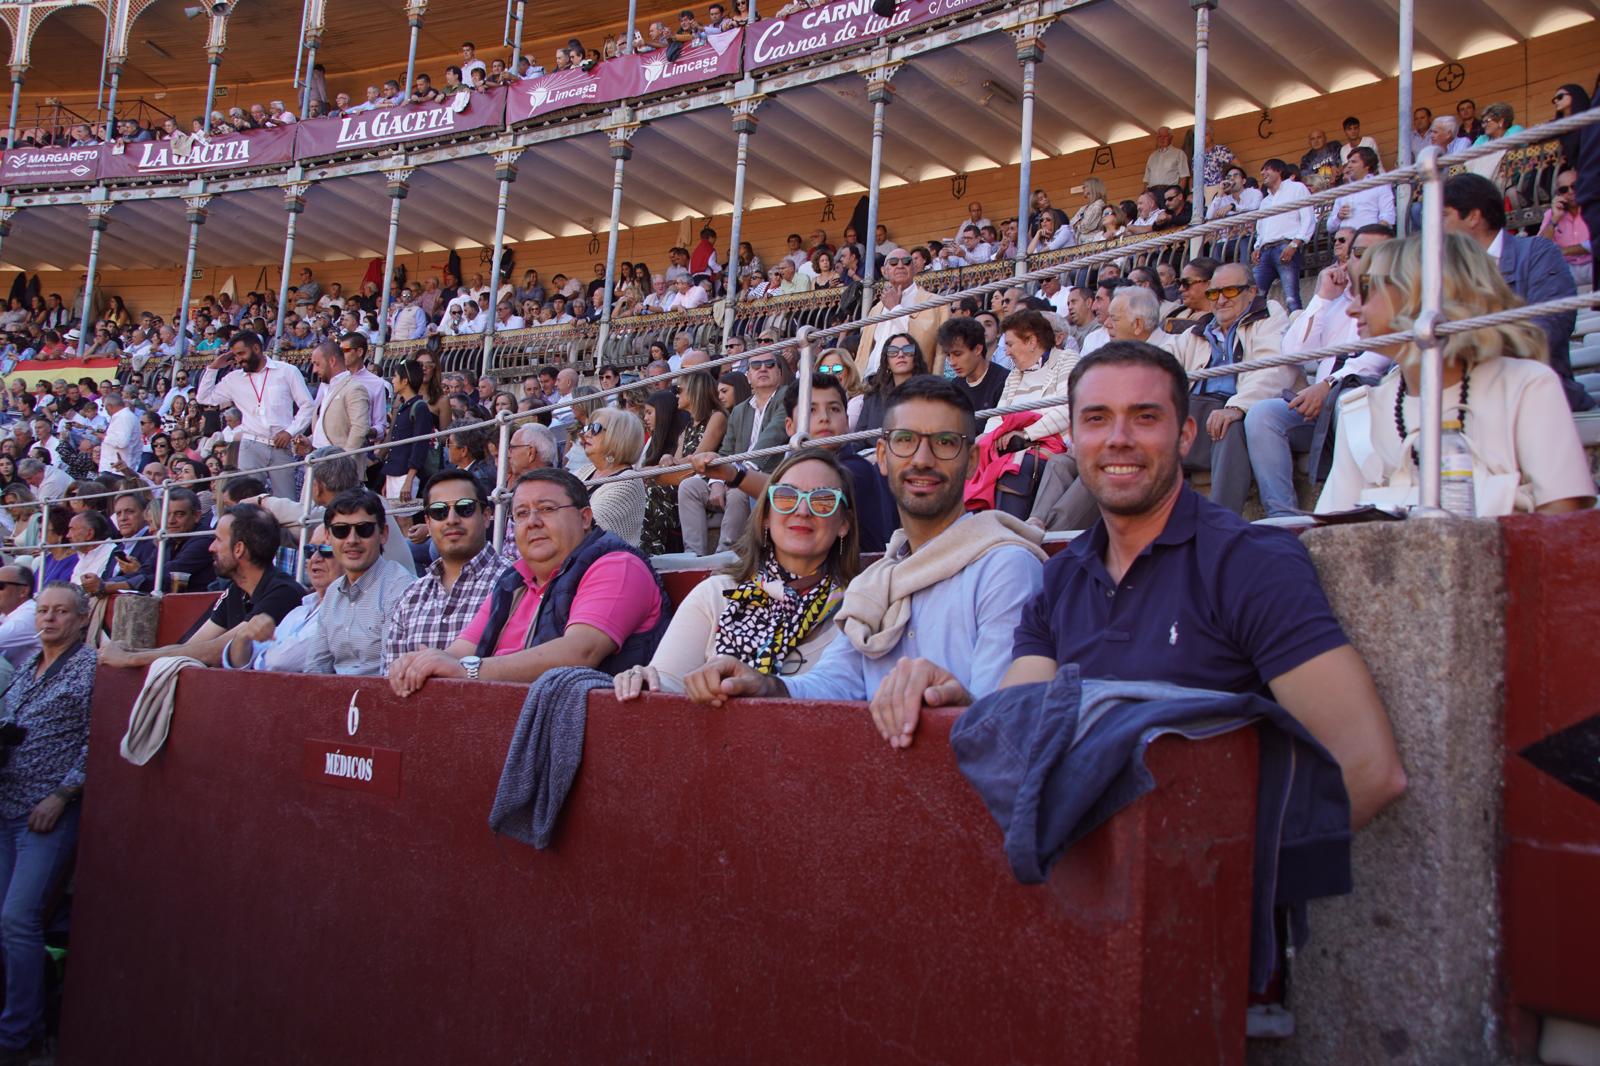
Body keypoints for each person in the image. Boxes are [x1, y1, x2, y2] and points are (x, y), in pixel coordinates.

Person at [995, 341, 1407, 829]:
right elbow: (1013, 741)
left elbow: (1368, 768)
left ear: (1186, 436)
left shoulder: (1249, 562)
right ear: (1074, 436)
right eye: (1097, 418)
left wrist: (1214, 878)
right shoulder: (1059, 578)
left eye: (1145, 417)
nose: (1118, 438)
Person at [684, 376, 1046, 738]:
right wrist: (766, 685)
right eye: (905, 440)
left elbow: (1008, 725)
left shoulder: (1005, 567)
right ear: (884, 457)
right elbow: (833, 684)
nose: (922, 459)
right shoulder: (878, 580)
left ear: (971, 462)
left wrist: (959, 704)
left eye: (945, 443)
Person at [1317, 233, 1594, 516]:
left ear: (1425, 292)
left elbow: (1563, 516)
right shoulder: (1361, 411)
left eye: (1367, 289)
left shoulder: (1527, 386)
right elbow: (1332, 529)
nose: (1352, 309)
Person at [386, 469, 672, 694]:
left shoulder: (617, 565)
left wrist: (470, 671)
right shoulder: (514, 580)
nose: (532, 521)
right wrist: (421, 663)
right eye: (521, 513)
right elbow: (460, 651)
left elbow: (580, 652)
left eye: (546, 509)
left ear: (585, 518)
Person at [616, 448, 862, 699]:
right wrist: (644, 682)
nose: (802, 510)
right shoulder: (715, 594)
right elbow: (667, 683)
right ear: (766, 516)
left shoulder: (862, 608)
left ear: (844, 524)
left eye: (823, 500)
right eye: (786, 496)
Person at [0, 583, 96, 1062]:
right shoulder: (25, 667)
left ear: (82, 619)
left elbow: (95, 739)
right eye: (42, 611)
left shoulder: (90, 667)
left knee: (18, 919)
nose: (49, 619)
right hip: (6, 804)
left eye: (61, 612)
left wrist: (63, 793)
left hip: (46, 811)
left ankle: (18, 1036)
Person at [1444, 172, 1591, 413]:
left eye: (1443, 216)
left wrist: (1463, 350)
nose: (1436, 227)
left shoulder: (1538, 252)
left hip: (1535, 399)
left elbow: (1546, 332)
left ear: (1472, 216)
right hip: (1470, 402)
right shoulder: (1446, 269)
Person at [98, 504, 306, 669]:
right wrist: (133, 653)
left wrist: (130, 660)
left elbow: (217, 650)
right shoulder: (237, 590)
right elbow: (193, 646)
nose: (210, 547)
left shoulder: (283, 593)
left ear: (239, 549)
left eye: (217, 540)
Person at [232, 490, 413, 676]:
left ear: (383, 534)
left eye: (363, 529)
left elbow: (391, 676)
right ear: (329, 536)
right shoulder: (334, 592)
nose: (352, 540)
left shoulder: (400, 589)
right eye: (341, 530)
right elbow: (316, 667)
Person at [1165, 262, 1295, 515]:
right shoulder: (1197, 331)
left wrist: (1237, 406)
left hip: (1236, 408)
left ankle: (1222, 522)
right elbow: (1161, 364)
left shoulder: (1268, 317)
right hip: (1195, 411)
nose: (1221, 300)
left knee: (1228, 424)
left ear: (1252, 291)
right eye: (1214, 293)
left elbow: (1274, 368)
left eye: (1231, 291)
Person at [383, 470, 506, 671]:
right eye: (439, 511)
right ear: (428, 524)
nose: (451, 519)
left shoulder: (516, 584)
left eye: (464, 508)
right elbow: (391, 678)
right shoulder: (410, 597)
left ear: (486, 517)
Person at [195, 331, 314, 500]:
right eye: (235, 355)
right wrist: (213, 368)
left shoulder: (287, 371)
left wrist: (290, 432)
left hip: (281, 445)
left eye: (241, 353)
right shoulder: (233, 379)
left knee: (285, 500)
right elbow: (204, 398)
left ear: (257, 348)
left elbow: (307, 405)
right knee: (248, 499)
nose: (238, 359)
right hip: (251, 445)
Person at [221, 525, 338, 672]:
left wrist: (254, 657)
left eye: (326, 550)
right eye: (310, 550)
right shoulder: (299, 611)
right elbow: (238, 662)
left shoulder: (343, 611)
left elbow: (280, 662)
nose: (315, 558)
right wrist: (242, 636)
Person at [579, 407, 647, 547]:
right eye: (588, 427)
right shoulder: (583, 471)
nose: (587, 434)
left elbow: (587, 526)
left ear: (618, 436)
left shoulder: (628, 481)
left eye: (596, 428)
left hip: (607, 561)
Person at [383, 360, 436, 501]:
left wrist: (409, 480)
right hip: (394, 471)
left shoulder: (419, 407)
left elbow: (420, 445)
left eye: (395, 376)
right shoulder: (402, 406)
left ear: (405, 380)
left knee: (404, 520)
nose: (393, 380)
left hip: (406, 474)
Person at [939, 317, 1007, 414]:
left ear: (977, 349)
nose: (952, 362)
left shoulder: (1004, 381)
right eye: (948, 355)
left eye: (958, 354)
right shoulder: (955, 386)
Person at [0, 567, 39, 682]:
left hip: (29, 690)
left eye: (0, 586)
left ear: (23, 591)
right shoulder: (9, 613)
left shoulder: (30, 614)